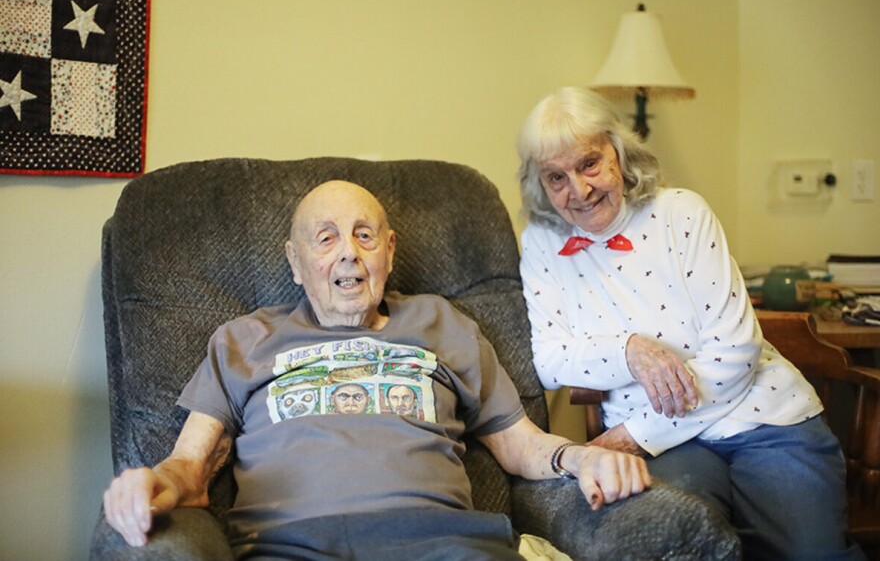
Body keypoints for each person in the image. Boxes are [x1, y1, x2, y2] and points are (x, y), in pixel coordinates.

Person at [102, 179, 652, 559]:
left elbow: (520, 444)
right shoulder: (245, 339)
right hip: (290, 547)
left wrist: (583, 458)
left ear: (388, 251)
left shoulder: (443, 323)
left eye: (365, 236)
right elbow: (190, 469)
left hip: (446, 544)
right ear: (295, 262)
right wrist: (151, 484)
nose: (349, 253)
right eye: (326, 239)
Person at [515, 86, 861, 560]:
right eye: (556, 177)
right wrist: (630, 351)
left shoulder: (681, 213)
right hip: (669, 448)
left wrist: (634, 435)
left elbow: (736, 352)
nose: (579, 190)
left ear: (618, 151)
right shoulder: (541, 243)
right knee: (680, 546)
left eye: (589, 164)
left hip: (763, 417)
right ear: (539, 182)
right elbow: (551, 360)